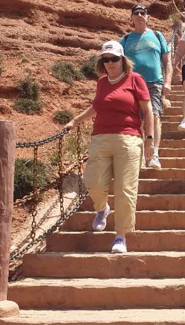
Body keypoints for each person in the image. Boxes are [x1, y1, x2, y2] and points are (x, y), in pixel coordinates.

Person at [65, 40, 154, 255]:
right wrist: (75, 121)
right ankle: (102, 208)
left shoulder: (135, 79)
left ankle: (121, 236)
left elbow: (147, 110)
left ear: (123, 59)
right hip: (100, 138)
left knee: (125, 190)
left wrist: (150, 139)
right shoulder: (102, 82)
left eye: (114, 59)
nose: (111, 63)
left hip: (129, 139)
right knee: (92, 182)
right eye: (106, 59)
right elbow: (97, 107)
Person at [120, 3, 172, 169]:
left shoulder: (157, 36)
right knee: (137, 119)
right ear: (131, 18)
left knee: (155, 115)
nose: (140, 15)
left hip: (154, 82)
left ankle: (154, 154)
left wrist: (168, 81)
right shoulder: (125, 39)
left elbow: (167, 61)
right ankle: (142, 155)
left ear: (148, 17)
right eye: (136, 13)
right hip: (132, 83)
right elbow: (118, 64)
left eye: (143, 13)